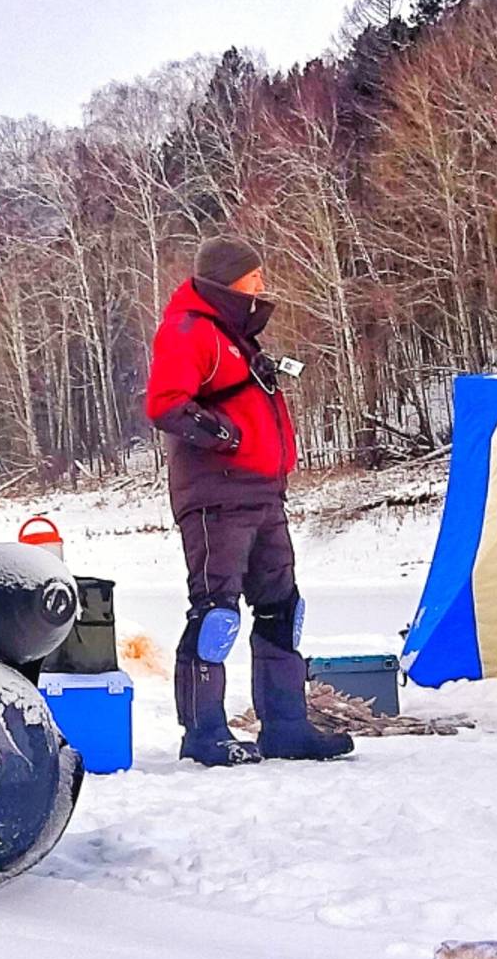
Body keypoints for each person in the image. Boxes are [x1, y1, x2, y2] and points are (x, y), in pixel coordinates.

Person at [143, 237, 353, 767]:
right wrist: (228, 438)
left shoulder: (235, 336)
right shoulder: (190, 331)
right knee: (216, 614)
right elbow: (166, 404)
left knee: (283, 609)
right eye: (253, 276)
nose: (262, 283)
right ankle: (204, 734)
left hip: (263, 491)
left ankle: (286, 726)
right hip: (217, 496)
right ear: (228, 280)